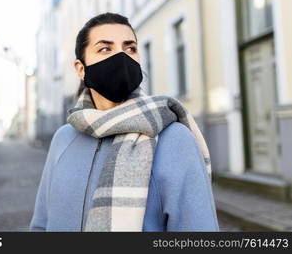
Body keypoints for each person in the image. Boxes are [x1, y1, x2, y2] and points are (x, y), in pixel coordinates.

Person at [29, 12, 220, 232]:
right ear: (81, 69)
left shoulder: (174, 139)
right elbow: (41, 224)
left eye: (130, 48)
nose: (122, 57)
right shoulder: (64, 138)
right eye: (105, 49)